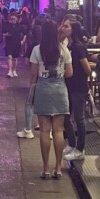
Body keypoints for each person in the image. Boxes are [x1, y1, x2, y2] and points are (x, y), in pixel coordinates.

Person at [28, 19, 73, 180]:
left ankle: (46, 168)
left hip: (43, 89)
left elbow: (33, 73)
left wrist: (32, 88)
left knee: (44, 131)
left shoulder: (36, 50)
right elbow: (70, 73)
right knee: (58, 130)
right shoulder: (64, 50)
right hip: (60, 90)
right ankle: (58, 167)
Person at [63, 21, 92, 161]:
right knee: (66, 116)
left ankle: (80, 149)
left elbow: (87, 69)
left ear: (73, 30)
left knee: (79, 118)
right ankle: (71, 144)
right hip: (68, 85)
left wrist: (81, 77)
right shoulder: (68, 46)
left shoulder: (78, 47)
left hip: (78, 86)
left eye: (66, 26)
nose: (63, 28)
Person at [3, 12, 26, 78]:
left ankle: (14, 70)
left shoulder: (19, 26)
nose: (12, 20)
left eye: (14, 19)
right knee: (9, 57)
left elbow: (25, 33)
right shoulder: (7, 25)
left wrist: (23, 40)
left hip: (17, 43)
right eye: (11, 19)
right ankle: (10, 71)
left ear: (16, 19)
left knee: (15, 58)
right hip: (9, 43)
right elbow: (3, 33)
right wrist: (6, 34)